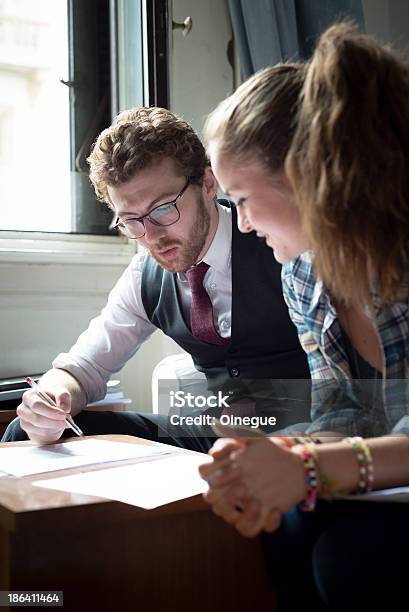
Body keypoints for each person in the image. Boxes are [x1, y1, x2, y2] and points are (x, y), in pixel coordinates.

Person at [199, 23, 409, 610]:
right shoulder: (302, 277)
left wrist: (313, 469)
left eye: (240, 199)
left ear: (304, 176)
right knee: (287, 528)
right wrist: (272, 455)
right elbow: (338, 410)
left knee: (351, 560)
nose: (240, 224)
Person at [2, 106, 310, 450]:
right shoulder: (144, 277)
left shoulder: (278, 241)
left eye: (163, 208)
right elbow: (82, 368)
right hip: (214, 437)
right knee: (21, 432)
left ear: (207, 184)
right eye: (131, 220)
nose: (151, 235)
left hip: (305, 433)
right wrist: (51, 398)